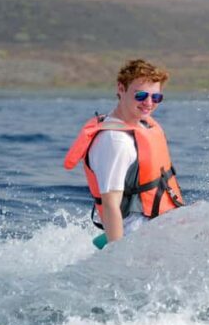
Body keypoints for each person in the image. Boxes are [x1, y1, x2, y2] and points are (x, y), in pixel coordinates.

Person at [64, 59, 184, 244]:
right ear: (121, 89)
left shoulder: (141, 125)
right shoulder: (116, 141)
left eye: (156, 97)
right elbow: (110, 203)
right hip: (138, 233)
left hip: (159, 221)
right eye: (141, 95)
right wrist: (116, 255)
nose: (149, 103)